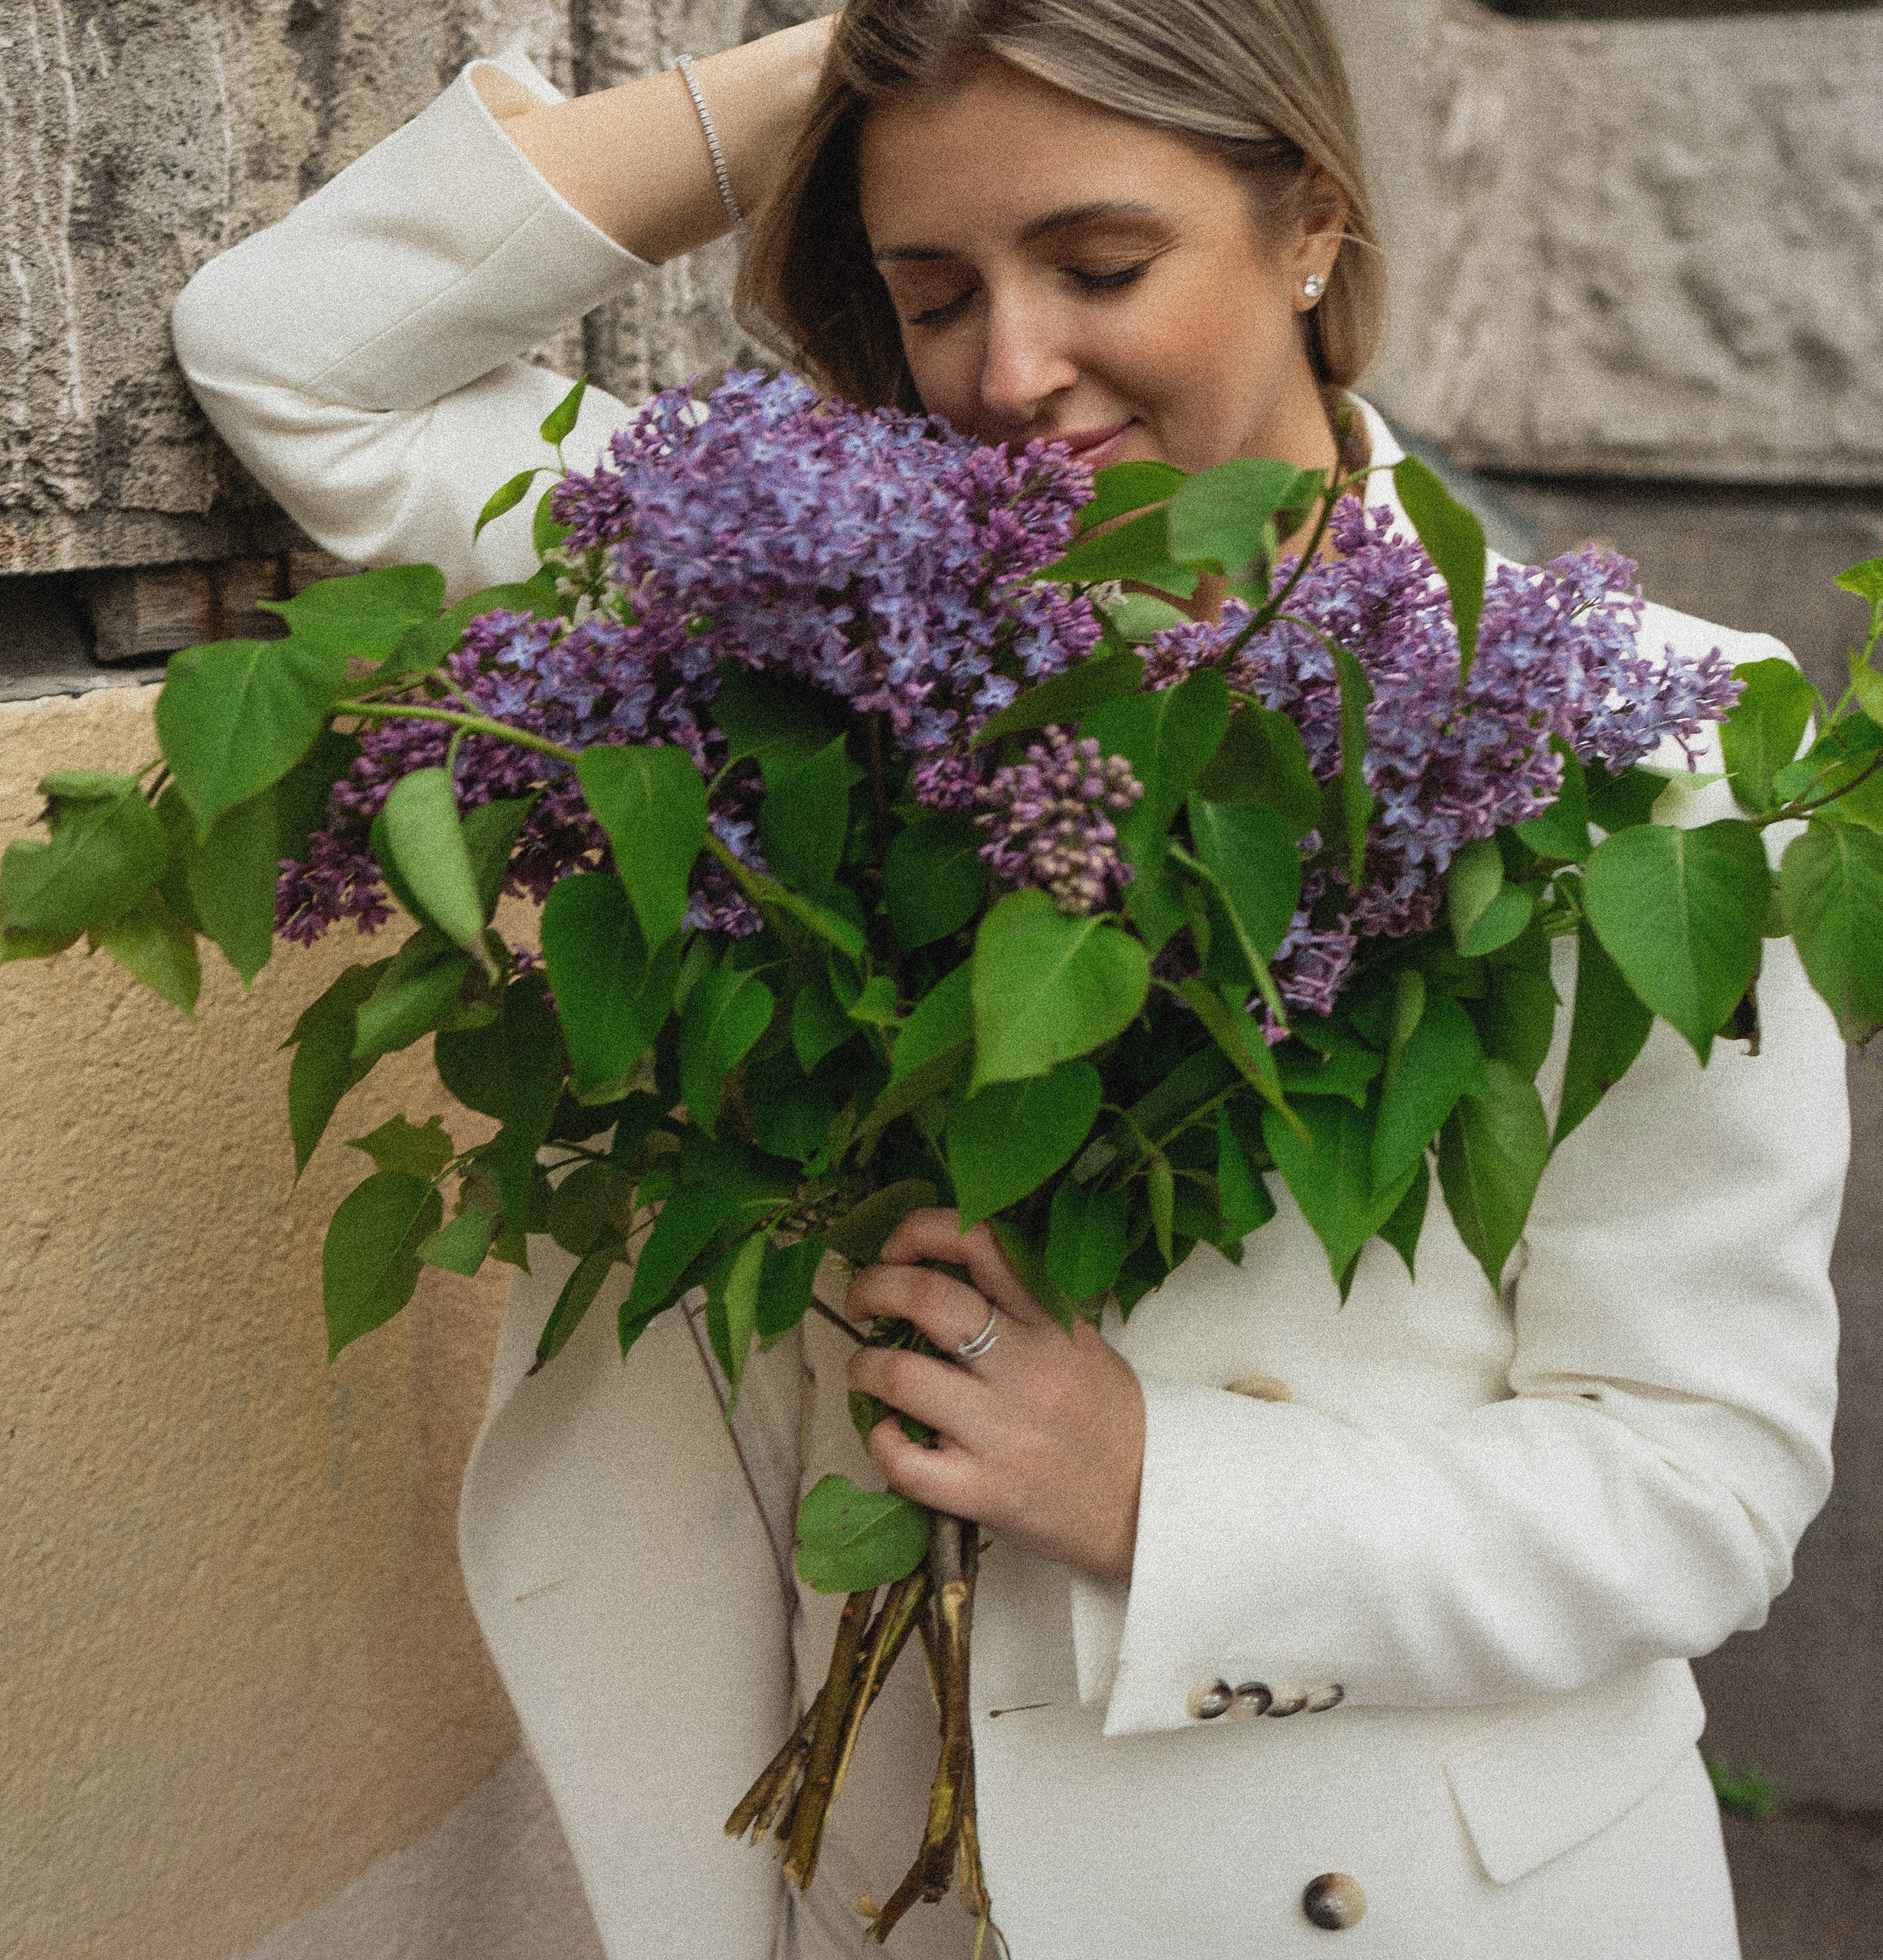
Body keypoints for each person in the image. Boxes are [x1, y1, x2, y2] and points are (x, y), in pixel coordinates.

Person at [170, 4, 1849, 1955]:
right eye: (929, 289)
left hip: (1373, 1895)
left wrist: (1163, 1487)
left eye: (1099, 263)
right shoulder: (801, 606)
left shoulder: (1657, 754)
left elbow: (1696, 1475)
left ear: (1310, 222)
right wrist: (869, 43)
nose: (1011, 370)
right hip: (880, 1872)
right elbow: (296, 356)